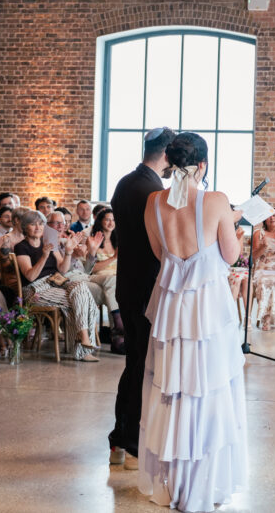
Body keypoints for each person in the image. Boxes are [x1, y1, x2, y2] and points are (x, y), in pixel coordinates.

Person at [139, 132, 248, 511]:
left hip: (171, 307)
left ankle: (173, 483)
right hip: (207, 308)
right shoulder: (216, 201)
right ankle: (203, 481)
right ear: (202, 164)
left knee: (172, 389)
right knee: (208, 387)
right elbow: (230, 256)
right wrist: (233, 223)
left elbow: (160, 253)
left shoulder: (153, 202)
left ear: (170, 163)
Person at [108, 126, 175, 469]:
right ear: (165, 154)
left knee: (134, 362)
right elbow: (161, 244)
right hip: (146, 287)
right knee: (142, 367)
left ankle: (120, 438)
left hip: (127, 283)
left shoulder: (126, 181)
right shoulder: (152, 191)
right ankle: (132, 441)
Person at [13, 210, 100, 362]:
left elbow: (63, 269)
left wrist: (68, 252)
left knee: (82, 291)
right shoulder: (21, 247)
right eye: (33, 224)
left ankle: (84, 340)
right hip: (35, 289)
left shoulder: (49, 242)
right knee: (82, 300)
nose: (38, 227)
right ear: (25, 227)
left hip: (56, 281)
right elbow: (30, 276)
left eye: (40, 224)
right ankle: (83, 348)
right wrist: (44, 256)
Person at [87, 208, 123, 353]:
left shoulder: (119, 239)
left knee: (115, 286)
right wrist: (113, 258)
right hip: (97, 276)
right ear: (100, 221)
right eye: (107, 219)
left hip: (115, 279)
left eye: (113, 220)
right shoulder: (91, 239)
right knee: (112, 281)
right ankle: (119, 330)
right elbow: (91, 268)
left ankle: (118, 338)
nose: (110, 223)